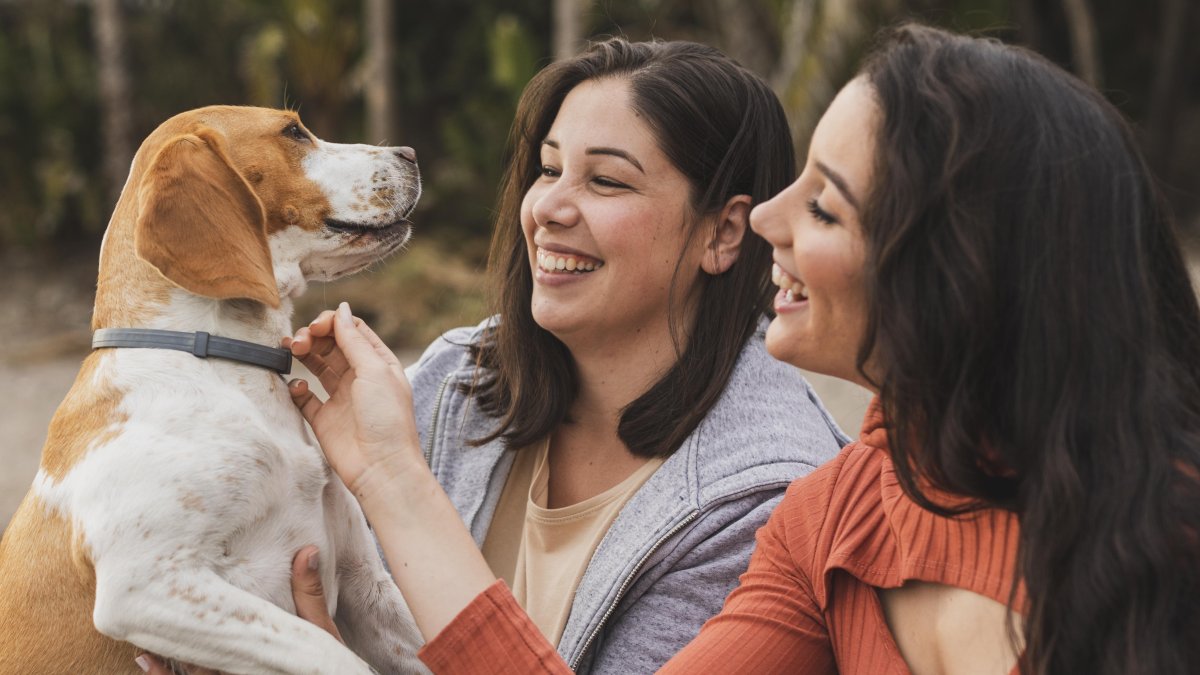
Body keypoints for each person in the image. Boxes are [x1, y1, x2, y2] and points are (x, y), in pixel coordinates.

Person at [227, 22, 1200, 675]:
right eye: (549, 171)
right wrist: (389, 473)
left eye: (822, 204)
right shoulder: (840, 513)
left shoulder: (777, 485)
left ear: (956, 274)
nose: (770, 218)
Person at [137, 37, 847, 675]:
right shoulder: (456, 381)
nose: (547, 208)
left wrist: (393, 480)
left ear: (724, 232)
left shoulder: (761, 501)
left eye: (606, 181)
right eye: (547, 169)